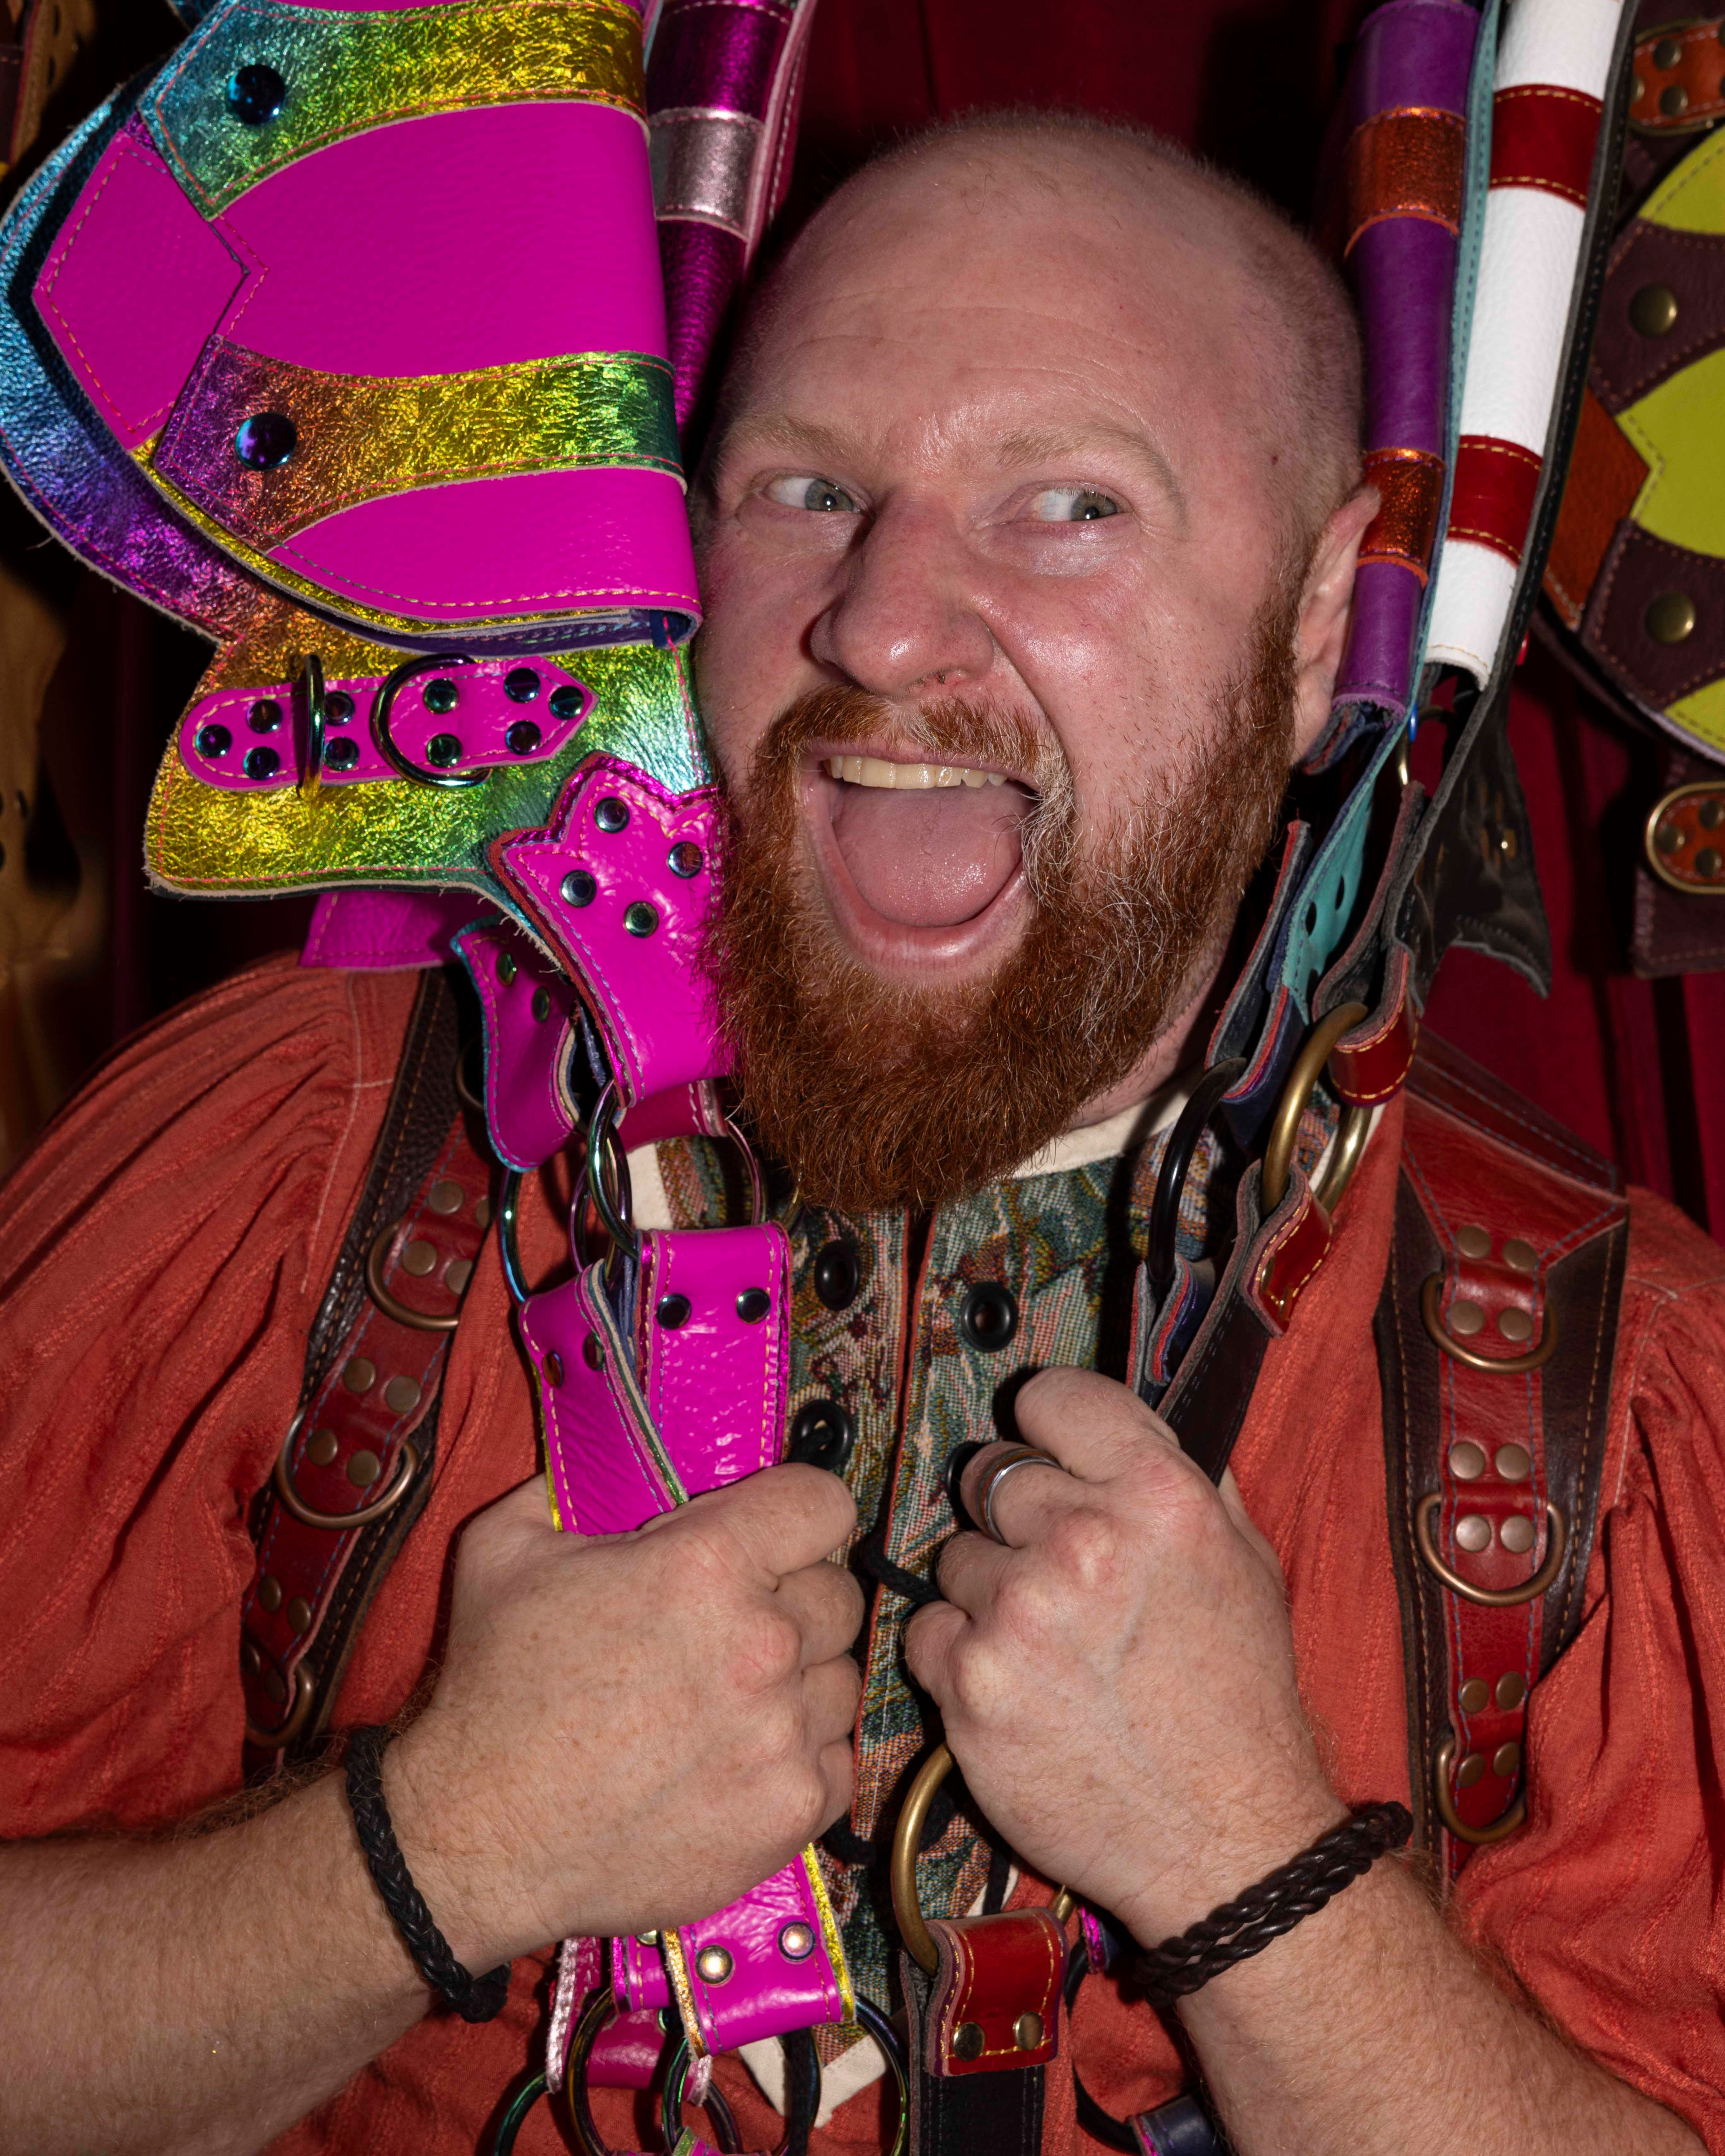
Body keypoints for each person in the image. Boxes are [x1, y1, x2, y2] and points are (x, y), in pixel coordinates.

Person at [0, 115, 1720, 2156]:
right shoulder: (295, 1165)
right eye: (806, 490)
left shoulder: (1609, 1402)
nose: (883, 625)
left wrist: (1257, 1873)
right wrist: (432, 1851)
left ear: (1317, 624)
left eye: (1068, 507)